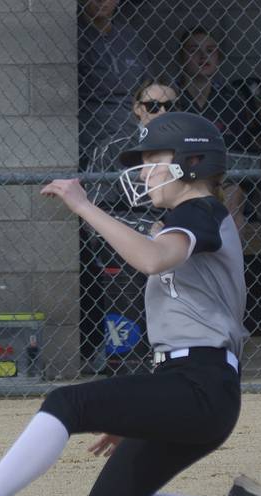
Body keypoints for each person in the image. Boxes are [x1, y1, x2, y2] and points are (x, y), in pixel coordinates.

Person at [0, 112, 261, 496]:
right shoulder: (184, 219)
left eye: (154, 161)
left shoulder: (201, 211)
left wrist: (84, 206)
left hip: (201, 387)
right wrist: (141, 411)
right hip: (189, 387)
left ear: (192, 161)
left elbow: (151, 259)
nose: (143, 173)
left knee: (65, 404)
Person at [81, 79, 175, 375]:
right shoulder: (113, 148)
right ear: (137, 109)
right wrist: (146, 226)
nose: (162, 112)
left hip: (176, 238)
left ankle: (173, 361)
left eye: (169, 106)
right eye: (153, 106)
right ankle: (127, 363)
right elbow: (97, 213)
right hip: (130, 243)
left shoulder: (187, 148)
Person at [176, 27, 248, 228]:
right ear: (181, 57)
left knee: (233, 196)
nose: (203, 56)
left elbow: (244, 152)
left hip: (223, 178)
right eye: (193, 50)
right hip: (183, 178)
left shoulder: (232, 101)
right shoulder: (172, 99)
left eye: (210, 50)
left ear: (219, 57)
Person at [78, 0, 151, 171]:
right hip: (94, 127)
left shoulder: (129, 36)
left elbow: (147, 83)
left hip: (133, 121)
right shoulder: (75, 35)